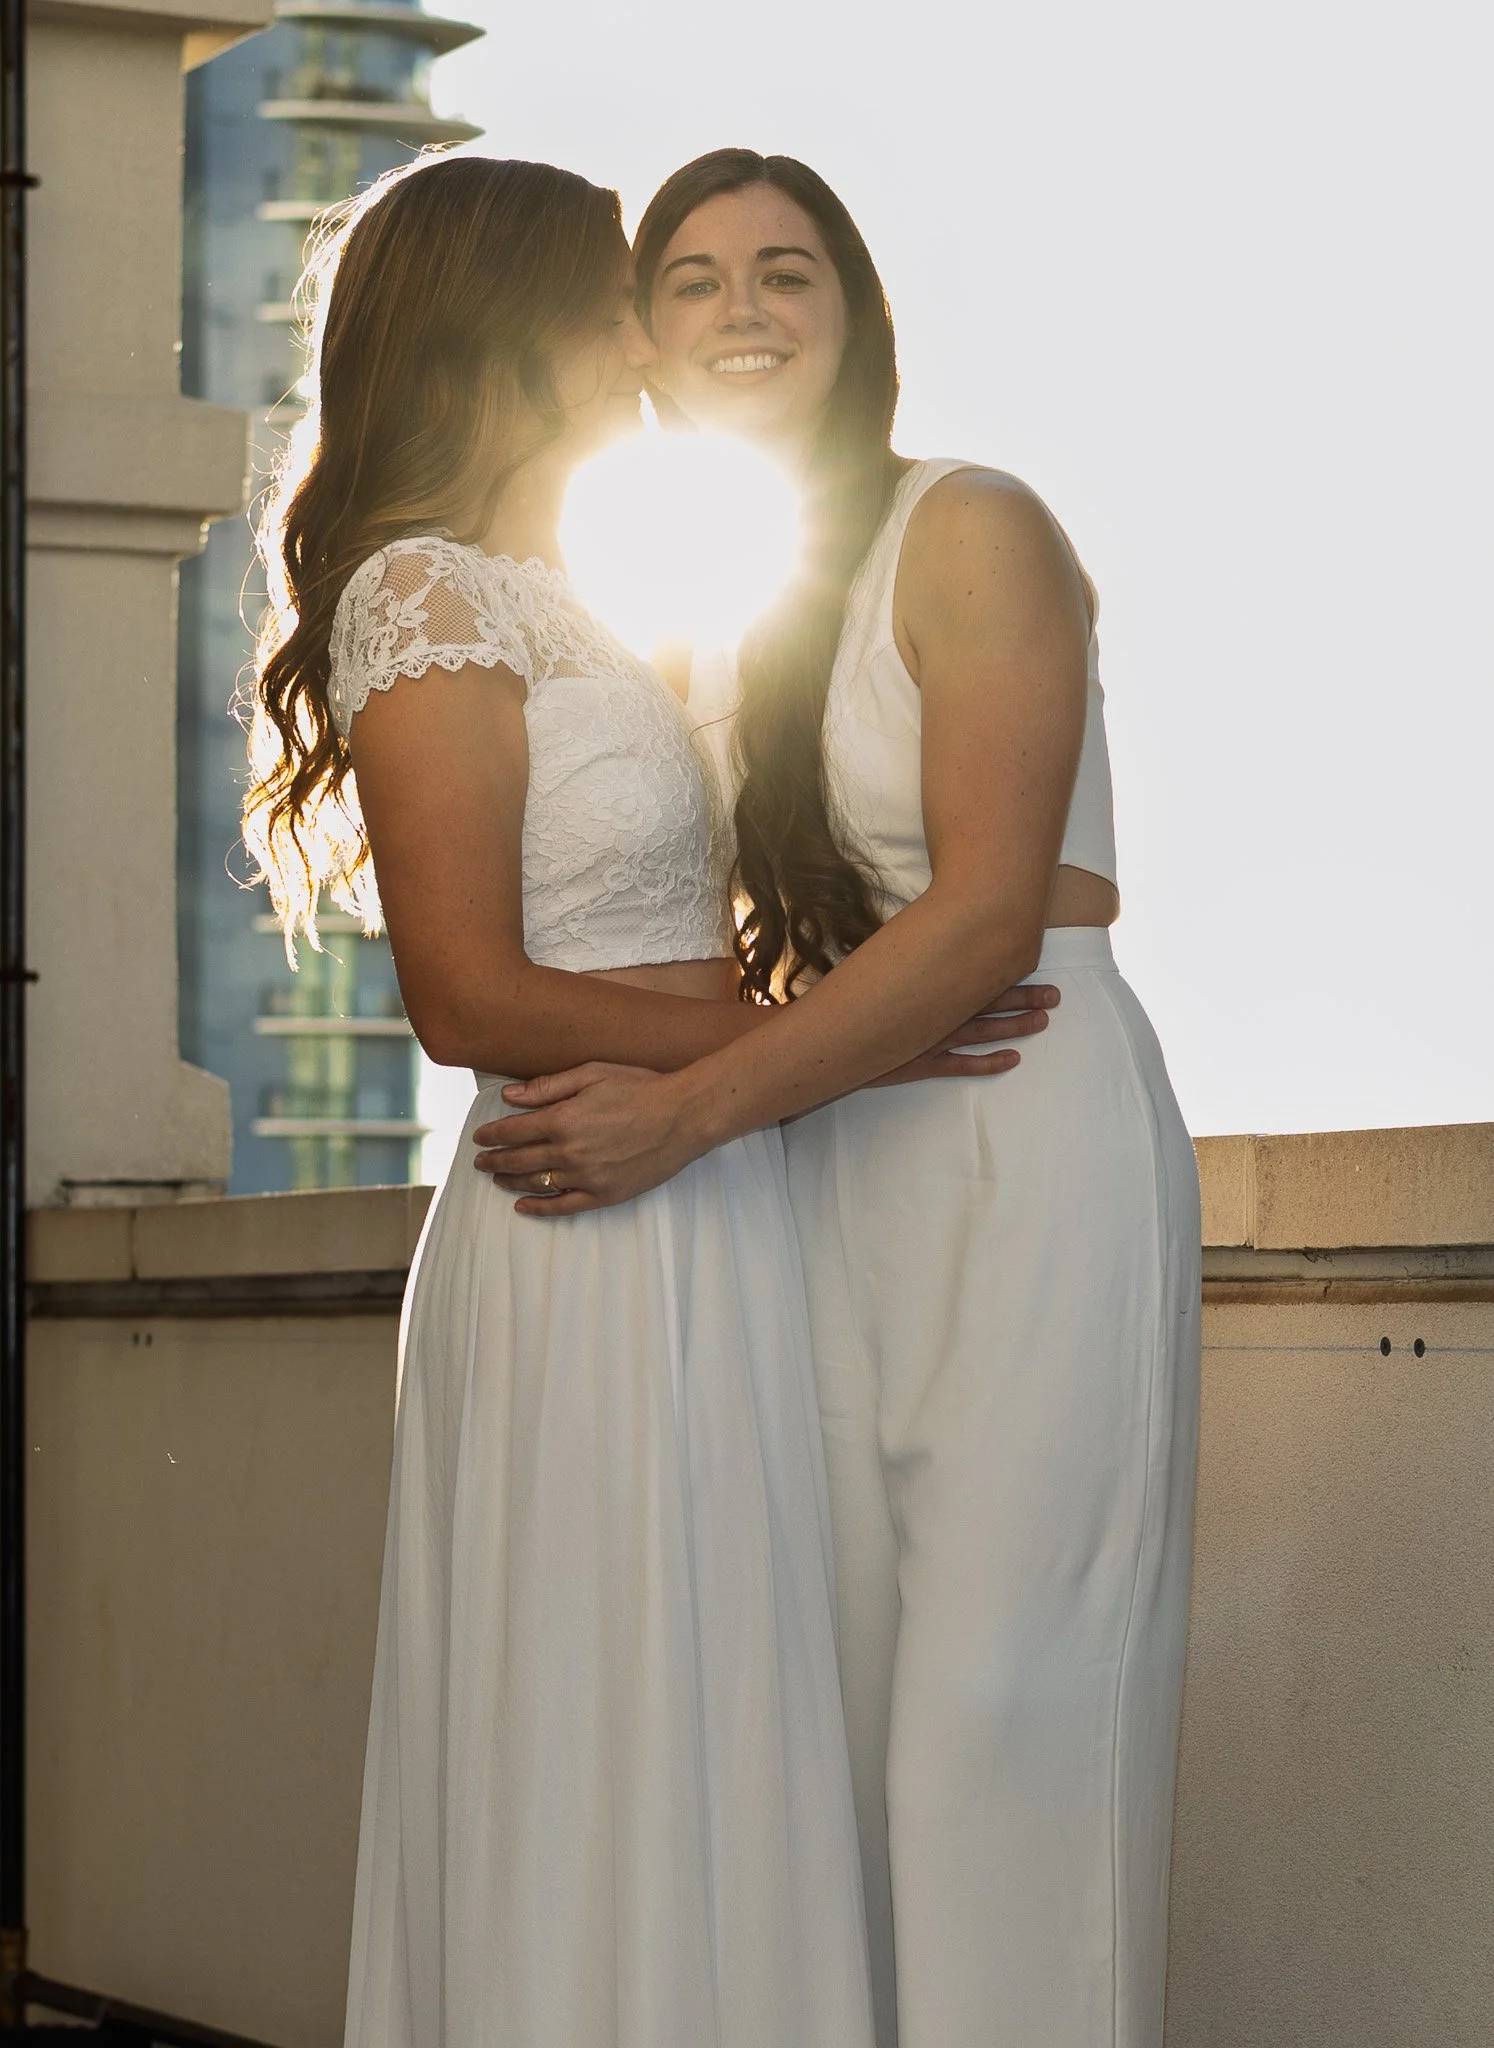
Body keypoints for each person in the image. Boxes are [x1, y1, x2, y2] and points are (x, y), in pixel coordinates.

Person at [474, 150, 1202, 2048]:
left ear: (856, 315)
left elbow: (977, 923)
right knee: (836, 1718)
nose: (741, 313)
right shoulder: (700, 607)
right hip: (816, 1151)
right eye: (694, 281)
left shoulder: (971, 527)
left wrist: (689, 1113)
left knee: (1003, 1722)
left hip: (1010, 1133)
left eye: (785, 274)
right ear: (636, 338)